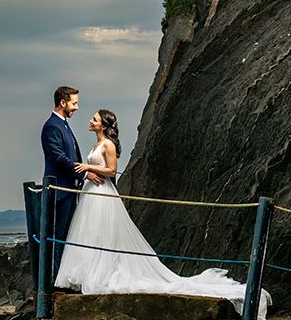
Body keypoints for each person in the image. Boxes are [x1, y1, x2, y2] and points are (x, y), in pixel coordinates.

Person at [53, 110, 271, 319]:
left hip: (103, 192)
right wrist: (88, 171)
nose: (91, 121)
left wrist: (87, 168)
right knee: (90, 232)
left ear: (104, 124)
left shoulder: (108, 144)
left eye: (95, 119)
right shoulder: (97, 143)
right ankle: (86, 273)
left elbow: (111, 171)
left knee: (103, 233)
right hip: (91, 193)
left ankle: (99, 274)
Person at [40, 86, 102, 273]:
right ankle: (57, 280)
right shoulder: (52, 126)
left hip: (69, 189)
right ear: (63, 102)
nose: (76, 107)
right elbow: (58, 157)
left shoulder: (63, 124)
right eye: (74, 103)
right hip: (60, 190)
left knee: (66, 235)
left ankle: (62, 276)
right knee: (59, 236)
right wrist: (84, 173)